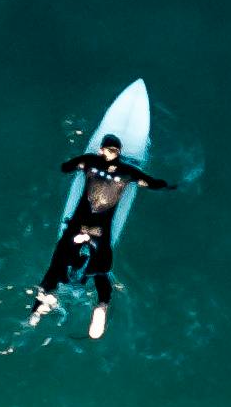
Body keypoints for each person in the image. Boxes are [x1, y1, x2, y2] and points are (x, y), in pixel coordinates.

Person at [29, 134, 177, 336]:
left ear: (101, 150)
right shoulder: (127, 171)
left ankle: (37, 311)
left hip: (77, 226)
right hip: (99, 231)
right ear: (119, 152)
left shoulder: (90, 161)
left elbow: (65, 168)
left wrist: (79, 163)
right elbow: (153, 183)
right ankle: (101, 306)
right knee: (101, 272)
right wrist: (171, 185)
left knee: (56, 267)